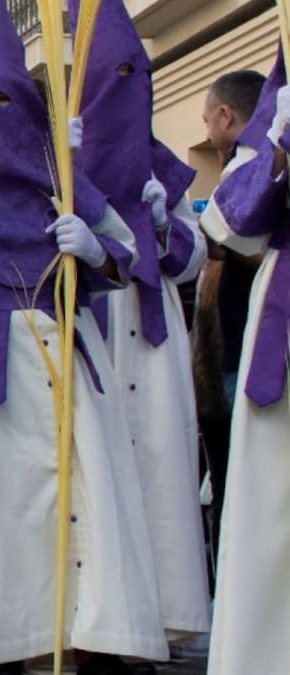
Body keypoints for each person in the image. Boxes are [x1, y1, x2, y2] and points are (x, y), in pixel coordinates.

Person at [0, 1, 167, 671]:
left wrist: (94, 251)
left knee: (86, 496)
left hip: (65, 352)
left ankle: (94, 638)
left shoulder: (65, 181)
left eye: (3, 100)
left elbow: (126, 252)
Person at [72, 0, 210, 641]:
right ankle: (93, 621)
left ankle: (158, 619)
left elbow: (192, 260)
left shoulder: (165, 169)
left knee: (157, 464)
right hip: (93, 324)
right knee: (95, 471)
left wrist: (160, 226)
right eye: (115, 76)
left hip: (150, 335)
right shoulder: (66, 156)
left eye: (137, 76)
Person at [200, 50, 290, 675]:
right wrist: (276, 153)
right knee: (271, 504)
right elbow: (231, 225)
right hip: (277, 334)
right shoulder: (270, 130)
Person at [196, 67, 266, 561]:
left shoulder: (251, 173)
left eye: (206, 120)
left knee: (241, 482)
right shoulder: (240, 170)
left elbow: (248, 245)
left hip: (246, 350)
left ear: (225, 116)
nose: (206, 132)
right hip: (229, 353)